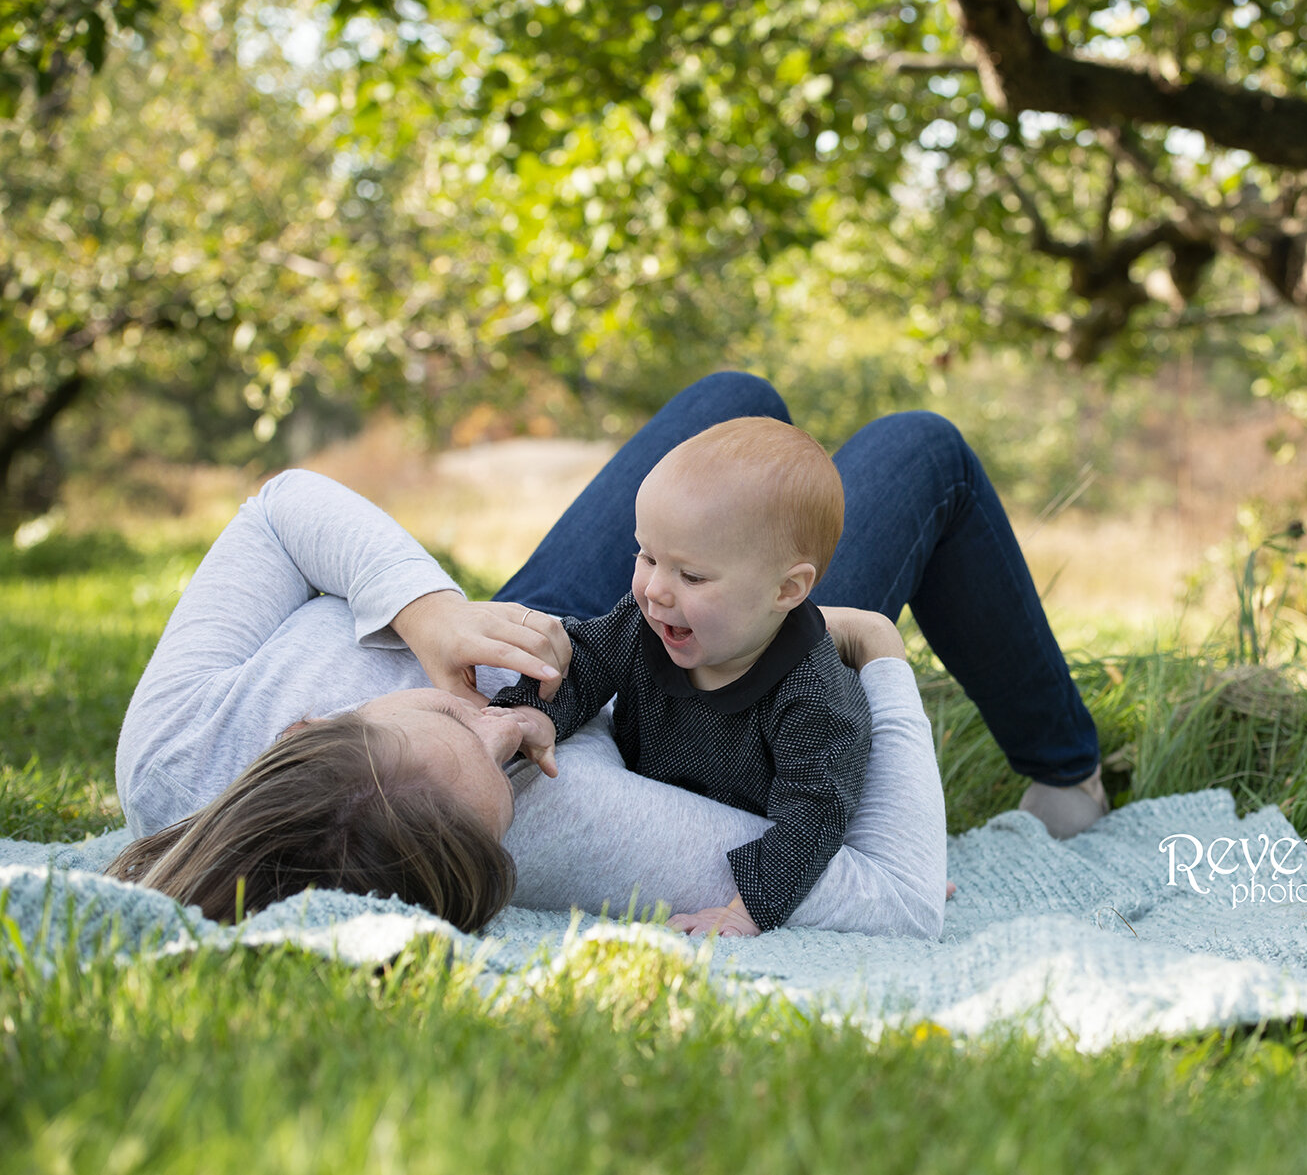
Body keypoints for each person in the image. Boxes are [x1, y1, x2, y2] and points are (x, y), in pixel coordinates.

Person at [107, 372, 1106, 938]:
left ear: (308, 727)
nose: (510, 714)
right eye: (506, 766)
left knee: (736, 396)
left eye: (452, 712)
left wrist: (432, 616)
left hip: (521, 607)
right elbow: (890, 896)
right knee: (922, 450)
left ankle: (654, 561)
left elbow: (283, 511)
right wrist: (879, 654)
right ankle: (1068, 776)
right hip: (682, 670)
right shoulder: (568, 816)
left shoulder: (167, 747)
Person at [490, 417, 874, 935]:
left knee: (843, 805)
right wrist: (534, 713)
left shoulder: (814, 696)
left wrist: (746, 912)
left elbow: (813, 817)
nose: (655, 591)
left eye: (691, 575)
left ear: (786, 590)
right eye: (646, 555)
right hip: (649, 802)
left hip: (747, 833)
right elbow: (583, 663)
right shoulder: (650, 621)